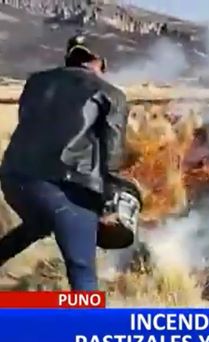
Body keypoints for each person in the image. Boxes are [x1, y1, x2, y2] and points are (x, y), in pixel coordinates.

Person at [0, 34, 128, 290]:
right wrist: (109, 202)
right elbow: (112, 154)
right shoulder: (110, 94)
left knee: (39, 223)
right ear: (100, 62)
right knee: (82, 272)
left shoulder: (36, 83)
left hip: (14, 179)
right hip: (67, 189)